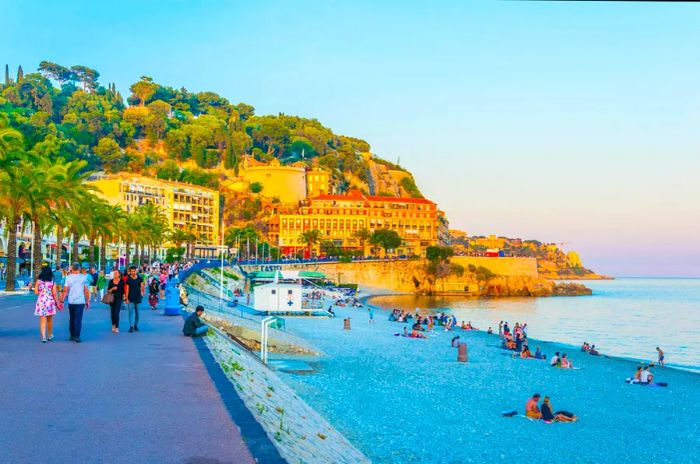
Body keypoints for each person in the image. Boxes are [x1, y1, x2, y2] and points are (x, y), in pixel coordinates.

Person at [61, 262, 90, 343]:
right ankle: (76, 336)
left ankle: (72, 335)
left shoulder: (68, 278)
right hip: (80, 301)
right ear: (79, 268)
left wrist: (62, 300)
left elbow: (65, 290)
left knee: (72, 318)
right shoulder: (84, 277)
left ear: (72, 268)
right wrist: (88, 301)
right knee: (78, 319)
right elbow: (86, 291)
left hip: (71, 301)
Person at [34, 265, 60, 343]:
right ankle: (50, 335)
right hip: (50, 301)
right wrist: (57, 303)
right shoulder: (52, 282)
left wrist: (42, 293)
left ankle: (43, 337)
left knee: (42, 320)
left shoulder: (38, 281)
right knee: (49, 320)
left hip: (41, 301)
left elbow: (35, 292)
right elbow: (54, 293)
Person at [124, 266, 145, 333]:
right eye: (132, 271)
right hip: (130, 298)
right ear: (130, 272)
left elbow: (142, 287)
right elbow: (127, 289)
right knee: (130, 312)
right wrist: (126, 298)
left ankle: (135, 325)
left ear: (136, 271)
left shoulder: (140, 278)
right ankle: (131, 326)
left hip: (138, 297)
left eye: (134, 271)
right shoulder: (128, 279)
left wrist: (142, 293)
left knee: (137, 313)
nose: (133, 272)